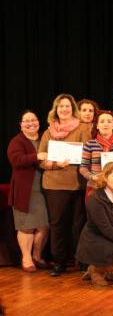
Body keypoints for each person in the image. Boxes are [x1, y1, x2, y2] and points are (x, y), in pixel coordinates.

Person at [37, 94, 91, 276]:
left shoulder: (83, 128)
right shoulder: (47, 132)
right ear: (55, 110)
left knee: (79, 224)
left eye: (67, 106)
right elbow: (41, 158)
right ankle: (59, 262)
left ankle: (81, 260)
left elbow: (88, 152)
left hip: (78, 183)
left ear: (73, 109)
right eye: (61, 106)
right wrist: (55, 164)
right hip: (54, 184)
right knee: (58, 224)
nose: (64, 109)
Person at [7, 110, 49, 272]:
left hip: (45, 189)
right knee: (26, 226)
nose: (31, 123)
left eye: (34, 120)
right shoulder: (17, 141)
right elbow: (16, 160)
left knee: (44, 226)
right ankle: (26, 258)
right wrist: (36, 156)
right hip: (26, 191)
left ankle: (37, 256)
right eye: (27, 121)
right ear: (21, 125)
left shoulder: (44, 138)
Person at [79, 111, 113, 199]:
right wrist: (92, 177)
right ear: (97, 126)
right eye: (102, 121)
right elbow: (83, 167)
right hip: (95, 187)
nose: (105, 124)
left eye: (109, 121)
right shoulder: (89, 144)